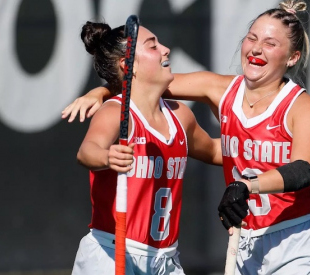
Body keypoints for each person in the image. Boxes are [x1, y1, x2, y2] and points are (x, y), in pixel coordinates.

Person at [63, 1, 310, 274]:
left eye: (270, 43)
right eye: (251, 37)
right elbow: (139, 85)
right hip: (241, 246)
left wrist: (299, 157)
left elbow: (298, 170)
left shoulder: (301, 106)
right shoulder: (217, 89)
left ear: (292, 57)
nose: (256, 48)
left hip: (294, 240)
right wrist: (100, 93)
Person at [72, 21, 222, 275]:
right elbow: (87, 151)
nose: (166, 49)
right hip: (113, 253)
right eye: (153, 46)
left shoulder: (180, 116)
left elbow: (217, 151)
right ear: (128, 65)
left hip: (166, 260)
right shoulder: (116, 112)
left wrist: (287, 153)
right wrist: (108, 156)